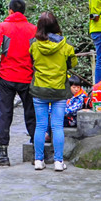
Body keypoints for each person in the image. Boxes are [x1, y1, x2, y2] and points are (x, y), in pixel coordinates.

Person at [0, 0, 38, 167]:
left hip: (7, 76)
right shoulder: (33, 29)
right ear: (23, 11)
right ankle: (36, 152)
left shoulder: (3, 27)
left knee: (5, 114)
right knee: (31, 113)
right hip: (27, 76)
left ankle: (3, 154)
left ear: (10, 11)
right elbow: (36, 54)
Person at [29, 12, 76, 172]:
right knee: (57, 126)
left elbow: (31, 62)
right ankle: (58, 161)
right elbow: (72, 63)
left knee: (40, 126)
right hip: (59, 90)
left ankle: (38, 160)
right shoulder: (66, 45)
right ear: (56, 25)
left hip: (39, 88)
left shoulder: (33, 45)